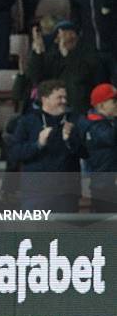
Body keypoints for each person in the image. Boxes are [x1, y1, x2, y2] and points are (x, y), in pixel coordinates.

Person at [9, 80, 86, 212]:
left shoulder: (75, 120)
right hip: (36, 192)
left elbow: (86, 153)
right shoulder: (27, 121)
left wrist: (70, 140)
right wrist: (38, 144)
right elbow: (14, 153)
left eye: (65, 97)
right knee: (36, 231)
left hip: (66, 192)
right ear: (45, 99)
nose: (64, 101)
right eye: (59, 97)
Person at [28, 20, 106, 116]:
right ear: (56, 39)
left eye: (70, 33)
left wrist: (67, 57)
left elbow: (80, 78)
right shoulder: (52, 56)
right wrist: (38, 54)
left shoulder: (89, 55)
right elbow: (37, 79)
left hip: (79, 108)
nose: (67, 37)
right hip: (54, 108)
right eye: (62, 34)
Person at [79, 83, 117, 212]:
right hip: (104, 186)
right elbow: (110, 138)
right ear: (101, 105)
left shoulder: (108, 122)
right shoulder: (92, 124)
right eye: (114, 100)